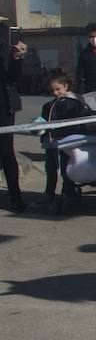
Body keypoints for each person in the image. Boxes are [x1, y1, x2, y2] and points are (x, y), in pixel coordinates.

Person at [37, 71, 85, 214]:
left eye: (58, 89)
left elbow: (71, 124)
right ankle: (49, 194)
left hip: (66, 143)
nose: (55, 92)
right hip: (51, 143)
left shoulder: (72, 102)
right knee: (51, 169)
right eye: (52, 90)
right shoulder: (48, 105)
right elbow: (43, 122)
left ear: (65, 86)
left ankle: (69, 194)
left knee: (66, 170)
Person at [1, 37, 27, 212]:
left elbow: (13, 77)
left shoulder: (4, 43)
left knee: (6, 152)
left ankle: (15, 197)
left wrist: (16, 58)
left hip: (4, 107)